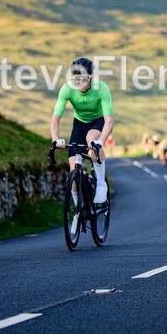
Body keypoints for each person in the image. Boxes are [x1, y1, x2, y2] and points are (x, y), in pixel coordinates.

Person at [51, 57, 115, 232]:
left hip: (98, 123)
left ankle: (101, 183)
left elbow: (109, 121)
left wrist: (100, 142)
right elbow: (55, 118)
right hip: (78, 125)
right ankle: (78, 210)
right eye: (76, 78)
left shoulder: (101, 88)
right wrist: (56, 139)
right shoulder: (67, 89)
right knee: (74, 169)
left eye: (84, 78)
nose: (79, 82)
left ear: (91, 77)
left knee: (91, 140)